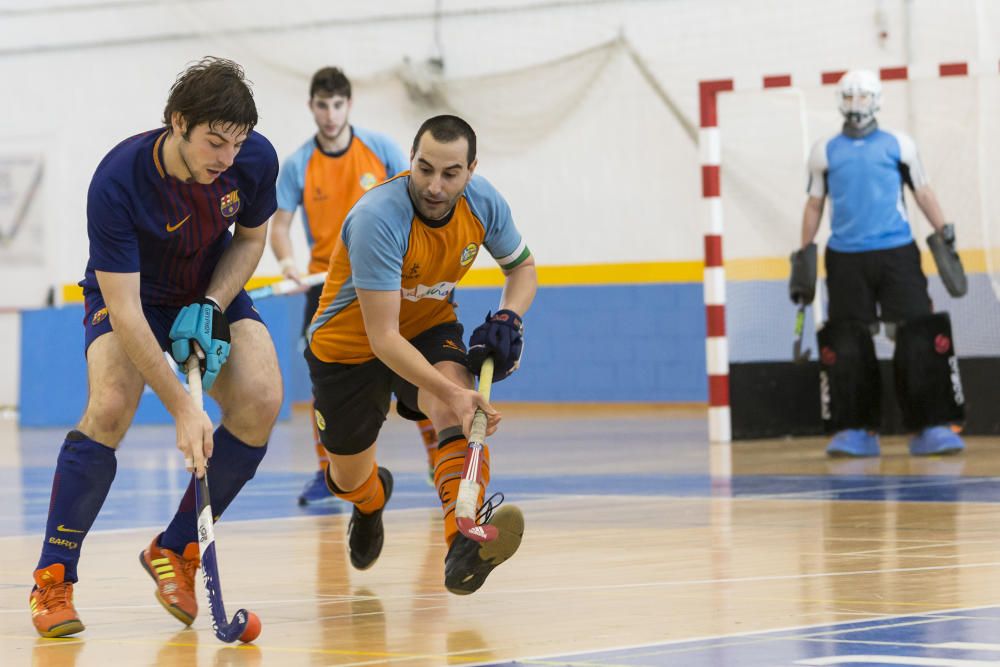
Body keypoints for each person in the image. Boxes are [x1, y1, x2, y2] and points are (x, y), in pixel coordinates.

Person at [28, 57, 281, 638]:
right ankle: (53, 578)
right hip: (132, 295)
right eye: (214, 143)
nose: (225, 160)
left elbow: (251, 237)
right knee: (111, 405)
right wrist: (184, 408)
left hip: (206, 285)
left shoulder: (253, 159)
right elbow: (126, 313)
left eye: (235, 146)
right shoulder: (118, 182)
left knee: (262, 398)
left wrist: (215, 305)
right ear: (177, 122)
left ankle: (176, 549)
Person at [305, 114, 537, 594]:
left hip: (429, 326)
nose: (434, 185)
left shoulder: (484, 204)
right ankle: (371, 501)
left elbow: (523, 269)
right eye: (424, 168)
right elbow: (383, 339)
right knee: (346, 478)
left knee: (455, 405)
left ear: (471, 169)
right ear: (410, 159)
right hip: (350, 347)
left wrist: (509, 317)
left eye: (450, 173)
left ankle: (462, 542)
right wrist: (454, 392)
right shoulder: (378, 219)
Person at [268, 66, 440, 505]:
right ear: (312, 107)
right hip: (328, 287)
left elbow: (412, 199)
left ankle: (437, 457)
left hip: (385, 278)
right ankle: (327, 471)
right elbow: (280, 225)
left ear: (349, 105)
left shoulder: (378, 149)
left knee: (415, 365)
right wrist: (288, 263)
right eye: (322, 105)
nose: (330, 114)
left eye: (338, 104)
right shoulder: (298, 164)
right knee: (321, 373)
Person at [790, 69, 966, 458]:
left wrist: (944, 230)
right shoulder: (824, 151)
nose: (857, 106)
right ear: (840, 101)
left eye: (863, 97)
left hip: (897, 252)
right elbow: (815, 203)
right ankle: (856, 430)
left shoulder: (899, 146)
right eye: (850, 98)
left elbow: (922, 190)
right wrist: (804, 252)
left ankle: (930, 426)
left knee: (919, 332)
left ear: (877, 100)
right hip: (845, 258)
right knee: (848, 339)